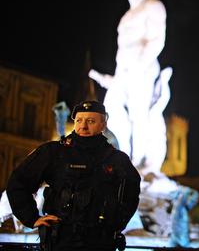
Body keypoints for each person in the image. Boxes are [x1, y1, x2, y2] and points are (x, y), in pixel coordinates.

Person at [6, 100, 141, 250]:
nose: (83, 126)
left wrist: (114, 225)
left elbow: (131, 195)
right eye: (79, 120)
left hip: (100, 241)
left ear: (103, 124)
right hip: (60, 240)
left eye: (91, 121)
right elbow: (18, 182)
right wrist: (32, 218)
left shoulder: (117, 159)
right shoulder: (53, 152)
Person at [89, 0, 172, 175]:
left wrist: (139, 65)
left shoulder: (154, 5)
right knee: (112, 110)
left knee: (139, 113)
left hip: (143, 68)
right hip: (123, 71)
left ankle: (140, 160)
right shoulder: (126, 17)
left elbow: (156, 40)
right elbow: (121, 49)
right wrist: (116, 76)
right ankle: (121, 153)